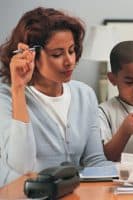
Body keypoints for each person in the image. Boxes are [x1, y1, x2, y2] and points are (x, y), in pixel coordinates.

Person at [0, 7, 112, 187]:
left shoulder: (85, 94)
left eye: (72, 50)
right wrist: (18, 89)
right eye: (57, 54)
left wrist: (130, 173)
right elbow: (21, 167)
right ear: (31, 55)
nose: (69, 61)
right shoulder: (6, 97)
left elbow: (95, 160)